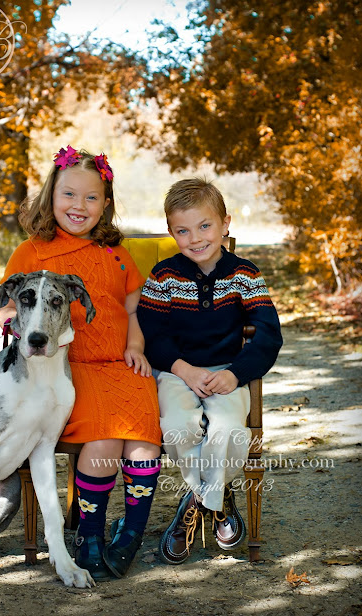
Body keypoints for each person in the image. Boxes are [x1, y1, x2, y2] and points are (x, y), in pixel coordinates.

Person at [0, 146, 161, 580]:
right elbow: (9, 308)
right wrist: (17, 328)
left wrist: (137, 345)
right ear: (51, 195)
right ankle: (88, 533)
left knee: (144, 442)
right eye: (69, 194)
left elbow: (133, 309)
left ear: (105, 204)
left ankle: (131, 531)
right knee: (105, 439)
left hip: (123, 364)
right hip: (69, 369)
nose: (79, 206)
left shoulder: (116, 252)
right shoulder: (33, 251)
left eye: (91, 198)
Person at [137, 178, 282, 564]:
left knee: (229, 430)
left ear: (225, 223)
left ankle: (197, 500)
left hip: (226, 373)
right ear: (171, 232)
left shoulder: (244, 275)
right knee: (178, 426)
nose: (196, 238)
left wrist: (236, 374)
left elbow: (268, 335)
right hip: (176, 372)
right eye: (183, 230)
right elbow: (151, 335)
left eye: (205, 226)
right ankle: (218, 498)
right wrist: (183, 370)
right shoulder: (163, 276)